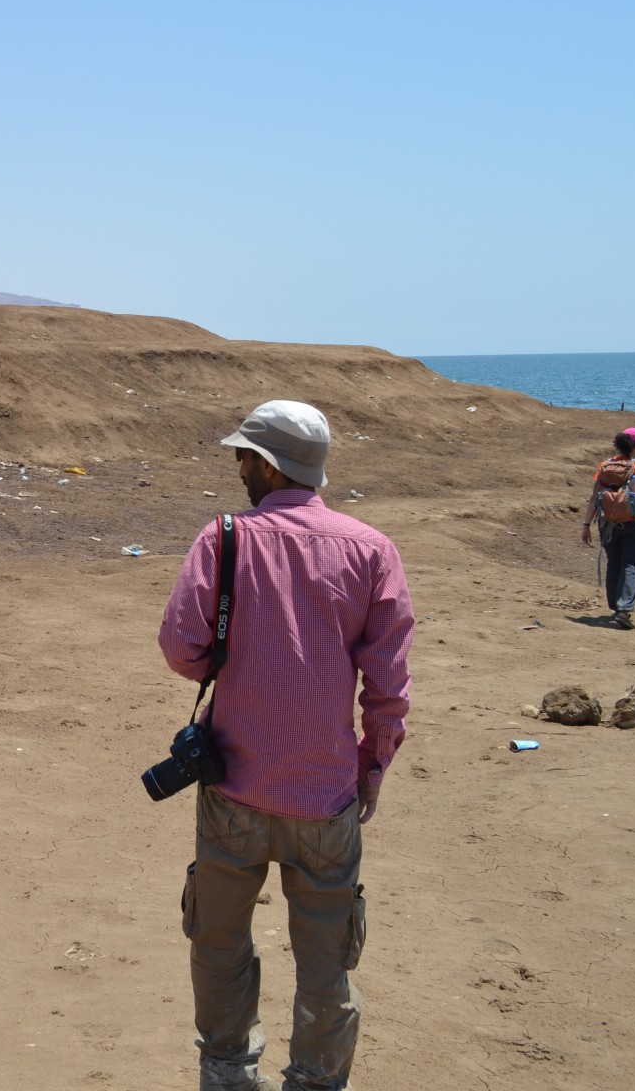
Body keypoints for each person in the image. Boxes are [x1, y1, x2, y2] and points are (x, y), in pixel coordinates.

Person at [157, 400, 414, 1091]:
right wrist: (373, 765)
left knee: (219, 942)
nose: (238, 468)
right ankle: (316, 1081)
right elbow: (388, 687)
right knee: (326, 961)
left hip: (233, 786)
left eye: (243, 457)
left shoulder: (225, 539)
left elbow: (182, 651)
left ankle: (227, 1073)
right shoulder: (370, 549)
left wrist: (238, 650)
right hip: (327, 795)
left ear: (267, 465)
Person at [580, 426, 635, 630]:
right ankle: (624, 609)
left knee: (614, 563)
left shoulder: (604, 466)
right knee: (631, 565)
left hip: (609, 524)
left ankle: (615, 606)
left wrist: (586, 525)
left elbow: (594, 497)